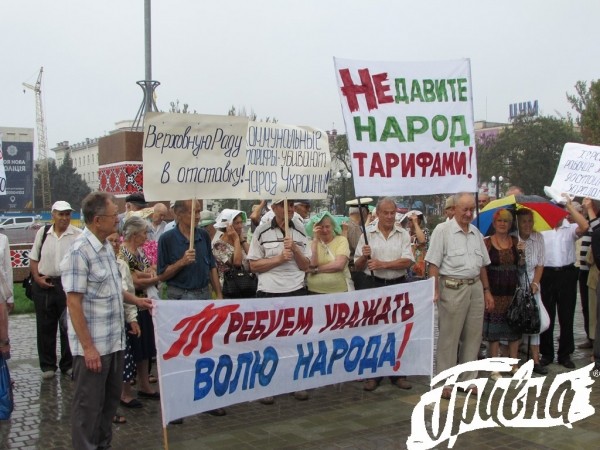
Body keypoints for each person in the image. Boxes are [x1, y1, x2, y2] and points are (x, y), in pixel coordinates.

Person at [60, 191, 152, 449]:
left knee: (108, 406)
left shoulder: (107, 249)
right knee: (88, 409)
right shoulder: (79, 252)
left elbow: (114, 289)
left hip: (115, 343)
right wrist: (88, 347)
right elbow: (73, 303)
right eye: (114, 216)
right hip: (93, 349)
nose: (118, 221)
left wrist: (136, 303)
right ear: (98, 220)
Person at [425, 193, 495, 399]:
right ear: (454, 209)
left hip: (475, 287)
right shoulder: (442, 230)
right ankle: (444, 382)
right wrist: (434, 288)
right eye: (464, 209)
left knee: (473, 337)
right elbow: (433, 263)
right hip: (452, 287)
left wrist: (487, 290)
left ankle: (468, 379)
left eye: (471, 209)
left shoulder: (475, 232)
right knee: (449, 336)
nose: (468, 213)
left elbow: (482, 264)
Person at [247, 198, 311, 402]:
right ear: (274, 208)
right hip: (269, 292)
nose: (290, 209)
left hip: (296, 291)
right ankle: (267, 386)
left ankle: (294, 382)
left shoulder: (301, 230)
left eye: (292, 205)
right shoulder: (262, 231)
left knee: (295, 341)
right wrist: (279, 259)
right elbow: (253, 266)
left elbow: (306, 265)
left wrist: (295, 250)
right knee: (269, 341)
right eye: (285, 205)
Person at [354, 197, 414, 391]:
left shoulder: (403, 234)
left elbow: (407, 261)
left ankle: (398, 373)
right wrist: (364, 256)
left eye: (392, 213)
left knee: (397, 330)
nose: (389, 216)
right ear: (377, 213)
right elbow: (357, 265)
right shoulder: (367, 234)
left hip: (398, 285)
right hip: (374, 285)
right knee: (374, 331)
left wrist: (383, 264)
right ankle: (373, 374)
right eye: (385, 213)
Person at [29, 200, 81, 379]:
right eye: (61, 214)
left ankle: (68, 363)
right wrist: (37, 278)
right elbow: (34, 258)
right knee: (45, 325)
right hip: (45, 283)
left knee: (68, 325)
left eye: (67, 214)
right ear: (53, 215)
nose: (65, 218)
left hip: (67, 285)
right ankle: (47, 364)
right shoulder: (43, 233)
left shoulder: (77, 235)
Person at [539, 196, 588, 368]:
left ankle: (565, 354)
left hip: (567, 273)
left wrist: (569, 205)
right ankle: (546, 353)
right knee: (548, 315)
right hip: (547, 274)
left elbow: (585, 226)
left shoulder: (570, 227)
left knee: (567, 315)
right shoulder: (542, 230)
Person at [118, 217, 160, 405]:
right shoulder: (123, 253)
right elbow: (132, 280)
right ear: (134, 235)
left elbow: (151, 269)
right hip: (131, 305)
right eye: (143, 233)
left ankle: (144, 384)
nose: (146, 236)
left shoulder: (140, 251)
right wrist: (150, 277)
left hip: (145, 304)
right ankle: (125, 391)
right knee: (132, 349)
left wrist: (147, 275)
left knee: (145, 348)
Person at [482, 209, 524, 379]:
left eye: (506, 221)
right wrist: (486, 291)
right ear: (494, 223)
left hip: (512, 293)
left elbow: (521, 267)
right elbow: (482, 268)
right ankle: (494, 367)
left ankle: (513, 364)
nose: (502, 224)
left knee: (513, 330)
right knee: (495, 333)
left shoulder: (515, 242)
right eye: (499, 221)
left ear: (510, 224)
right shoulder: (487, 243)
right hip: (495, 292)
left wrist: (522, 254)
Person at [158, 200, 223, 302]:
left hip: (204, 295)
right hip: (180, 297)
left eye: (199, 212)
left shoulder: (204, 235)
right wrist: (181, 262)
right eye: (193, 212)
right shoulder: (166, 239)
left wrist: (219, 295)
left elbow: (211, 267)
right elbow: (161, 276)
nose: (198, 217)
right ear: (179, 214)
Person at [514, 208, 548, 375]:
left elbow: (540, 263)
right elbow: (514, 266)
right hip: (516, 285)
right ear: (518, 223)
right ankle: (512, 358)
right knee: (516, 320)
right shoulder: (513, 238)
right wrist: (519, 253)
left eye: (530, 221)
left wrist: (535, 283)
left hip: (533, 284)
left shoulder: (538, 238)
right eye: (523, 221)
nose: (527, 224)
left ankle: (535, 359)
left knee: (537, 321)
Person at [305, 211, 352, 294]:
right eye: (320, 227)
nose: (324, 230)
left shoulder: (341, 240)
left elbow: (339, 265)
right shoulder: (311, 243)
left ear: (333, 227)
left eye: (327, 226)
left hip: (338, 291)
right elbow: (312, 264)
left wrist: (316, 270)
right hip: (313, 291)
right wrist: (315, 240)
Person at [576, 198, 600, 349]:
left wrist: (590, 209)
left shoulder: (595, 220)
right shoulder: (587, 219)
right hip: (584, 269)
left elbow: (597, 230)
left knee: (595, 307)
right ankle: (590, 336)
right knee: (586, 306)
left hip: (595, 269)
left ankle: (594, 339)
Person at [212, 209, 251, 295]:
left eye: (241, 222)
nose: (241, 226)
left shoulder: (239, 241)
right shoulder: (218, 245)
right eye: (237, 223)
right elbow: (237, 263)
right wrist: (236, 239)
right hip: (230, 288)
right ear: (228, 226)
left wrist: (242, 240)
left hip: (246, 286)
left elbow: (253, 256)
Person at [406, 210, 430, 280]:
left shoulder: (425, 231)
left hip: (420, 271)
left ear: (418, 220)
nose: (408, 221)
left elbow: (422, 240)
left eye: (411, 220)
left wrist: (415, 223)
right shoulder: (406, 232)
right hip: (407, 269)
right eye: (408, 219)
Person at [0, 232, 12, 361]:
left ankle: (3, 374)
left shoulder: (3, 239)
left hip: (1, 294)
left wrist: (10, 297)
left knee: (2, 336)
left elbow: (7, 269)